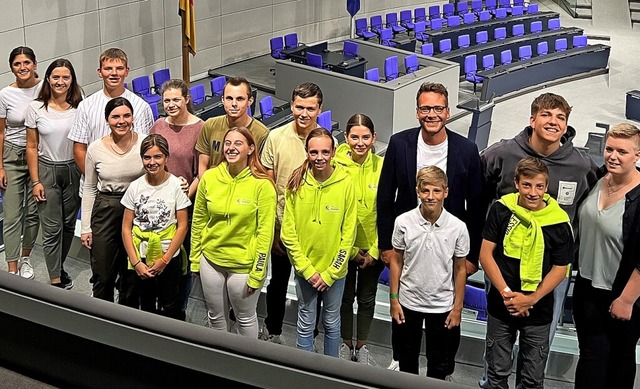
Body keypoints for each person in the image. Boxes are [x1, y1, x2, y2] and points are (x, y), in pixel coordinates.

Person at [479, 92, 597, 388]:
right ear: (532, 119)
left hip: (552, 274)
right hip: (504, 269)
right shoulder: (502, 153)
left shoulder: (581, 165)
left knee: (537, 347)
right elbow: (479, 194)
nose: (553, 122)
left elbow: (590, 206)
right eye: (546, 115)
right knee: (497, 346)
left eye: (560, 117)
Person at [376, 81, 483, 369]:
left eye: (437, 108)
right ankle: (403, 365)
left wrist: (471, 257)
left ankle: (441, 371)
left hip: (448, 252)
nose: (431, 114)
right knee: (406, 332)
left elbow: (476, 206)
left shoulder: (467, 149)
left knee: (444, 333)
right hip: (406, 247)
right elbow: (385, 197)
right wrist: (386, 245)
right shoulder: (400, 144)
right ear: (417, 112)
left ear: (448, 111)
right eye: (425, 108)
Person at [480, 157, 573, 389]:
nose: (533, 192)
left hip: (538, 309)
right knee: (496, 373)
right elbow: (486, 254)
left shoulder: (559, 222)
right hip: (502, 305)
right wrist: (507, 294)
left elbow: (561, 269)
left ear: (546, 186)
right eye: (527, 185)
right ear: (516, 183)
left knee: (532, 378)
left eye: (539, 186)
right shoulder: (501, 209)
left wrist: (530, 299)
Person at [190, 127, 276, 337]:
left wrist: (257, 273)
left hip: (244, 267)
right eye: (228, 143)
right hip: (211, 260)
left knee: (245, 318)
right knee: (215, 317)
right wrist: (195, 258)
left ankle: (247, 364)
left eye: (238, 143)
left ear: (250, 149)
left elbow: (265, 233)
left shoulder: (263, 185)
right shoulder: (210, 177)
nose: (231, 148)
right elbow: (199, 221)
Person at [574, 123, 640, 389]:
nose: (613, 156)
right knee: (591, 357)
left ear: (637, 155)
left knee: (618, 362)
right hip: (588, 288)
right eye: (609, 149)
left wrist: (626, 300)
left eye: (622, 151)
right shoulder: (598, 178)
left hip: (624, 296)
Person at [281, 128, 357, 356]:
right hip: (306, 271)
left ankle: (331, 372)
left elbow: (348, 234)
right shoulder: (295, 183)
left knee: (332, 323)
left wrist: (330, 272)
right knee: (305, 322)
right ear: (307, 152)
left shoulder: (346, 183)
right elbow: (288, 233)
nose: (320, 157)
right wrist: (306, 269)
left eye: (325, 151)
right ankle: (303, 372)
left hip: (335, 272)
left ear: (334, 152)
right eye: (314, 152)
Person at [259, 82, 324, 343]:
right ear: (292, 105)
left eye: (310, 108)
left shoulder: (324, 139)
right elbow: (268, 185)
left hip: (312, 229)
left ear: (319, 109)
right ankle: (273, 329)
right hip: (282, 225)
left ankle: (310, 333)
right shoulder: (276, 137)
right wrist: (274, 228)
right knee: (278, 282)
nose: (304, 113)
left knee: (310, 284)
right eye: (299, 107)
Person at [389, 166, 468, 379]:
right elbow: (396, 260)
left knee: (439, 365)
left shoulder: (458, 227)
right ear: (417, 191)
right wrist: (394, 300)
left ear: (446, 192)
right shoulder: (403, 222)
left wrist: (457, 308)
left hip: (442, 306)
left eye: (436, 191)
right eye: (425, 191)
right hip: (408, 303)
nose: (430, 197)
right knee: (406, 362)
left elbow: (460, 269)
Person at [80, 97, 146, 304]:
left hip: (137, 211)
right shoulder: (95, 148)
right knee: (103, 274)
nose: (121, 121)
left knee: (131, 275)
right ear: (107, 120)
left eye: (126, 115)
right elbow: (90, 188)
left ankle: (127, 323)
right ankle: (101, 322)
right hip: (106, 209)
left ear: (133, 118)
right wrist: (85, 227)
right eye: (115, 116)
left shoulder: (145, 143)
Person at [25, 58, 83, 288]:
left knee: (68, 225)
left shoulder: (81, 104)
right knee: (51, 228)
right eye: (56, 77)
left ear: (72, 80)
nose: (60, 82)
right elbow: (31, 146)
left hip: (73, 170)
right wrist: (35, 180)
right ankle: (55, 279)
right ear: (48, 79)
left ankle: (58, 266)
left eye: (65, 77)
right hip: (47, 170)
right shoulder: (35, 108)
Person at [121, 134, 190, 320]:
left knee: (170, 303)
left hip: (168, 255)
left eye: (157, 156)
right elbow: (126, 228)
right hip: (140, 255)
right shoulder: (135, 187)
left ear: (166, 158)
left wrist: (165, 260)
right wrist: (136, 263)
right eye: (147, 157)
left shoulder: (177, 186)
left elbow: (182, 225)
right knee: (146, 303)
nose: (152, 162)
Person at [149, 78, 204, 313]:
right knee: (156, 251)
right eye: (166, 100)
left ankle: (177, 308)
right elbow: (149, 159)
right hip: (156, 201)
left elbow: (201, 173)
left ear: (187, 100)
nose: (171, 105)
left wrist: (183, 197)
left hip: (184, 204)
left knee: (181, 259)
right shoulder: (159, 125)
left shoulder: (200, 127)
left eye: (176, 100)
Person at [335, 113, 384, 364]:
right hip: (345, 247)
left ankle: (361, 347)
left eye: (366, 137)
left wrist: (375, 249)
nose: (360, 142)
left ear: (374, 138)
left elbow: (386, 211)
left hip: (373, 249)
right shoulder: (336, 167)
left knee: (367, 299)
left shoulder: (383, 167)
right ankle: (344, 344)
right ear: (346, 137)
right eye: (354, 137)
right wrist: (351, 248)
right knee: (345, 298)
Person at [68, 48, 153, 177]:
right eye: (108, 69)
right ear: (100, 72)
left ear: (127, 71)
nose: (114, 73)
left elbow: (145, 148)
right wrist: (94, 180)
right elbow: (79, 149)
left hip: (132, 185)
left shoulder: (141, 106)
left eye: (119, 68)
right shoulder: (86, 105)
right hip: (96, 186)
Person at [0, 46, 43, 278]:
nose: (22, 67)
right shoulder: (5, 94)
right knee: (12, 214)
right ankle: (12, 267)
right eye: (17, 64)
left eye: (27, 62)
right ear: (12, 68)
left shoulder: (46, 88)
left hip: (39, 155)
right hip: (13, 156)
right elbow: (0, 132)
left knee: (34, 212)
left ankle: (26, 258)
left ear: (35, 64)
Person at [195, 77, 268, 175]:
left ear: (250, 101)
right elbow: (203, 165)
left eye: (240, 99)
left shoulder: (261, 133)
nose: (234, 104)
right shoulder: (210, 125)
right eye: (229, 98)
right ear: (222, 100)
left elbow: (261, 171)